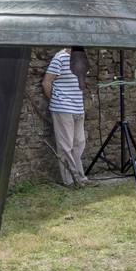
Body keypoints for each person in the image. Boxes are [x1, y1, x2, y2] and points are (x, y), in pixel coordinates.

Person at [44, 47, 89, 187]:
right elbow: (46, 82)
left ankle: (80, 178)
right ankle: (70, 180)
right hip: (63, 108)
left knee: (79, 144)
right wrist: (56, 100)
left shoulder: (81, 57)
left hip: (78, 108)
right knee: (66, 146)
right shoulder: (60, 58)